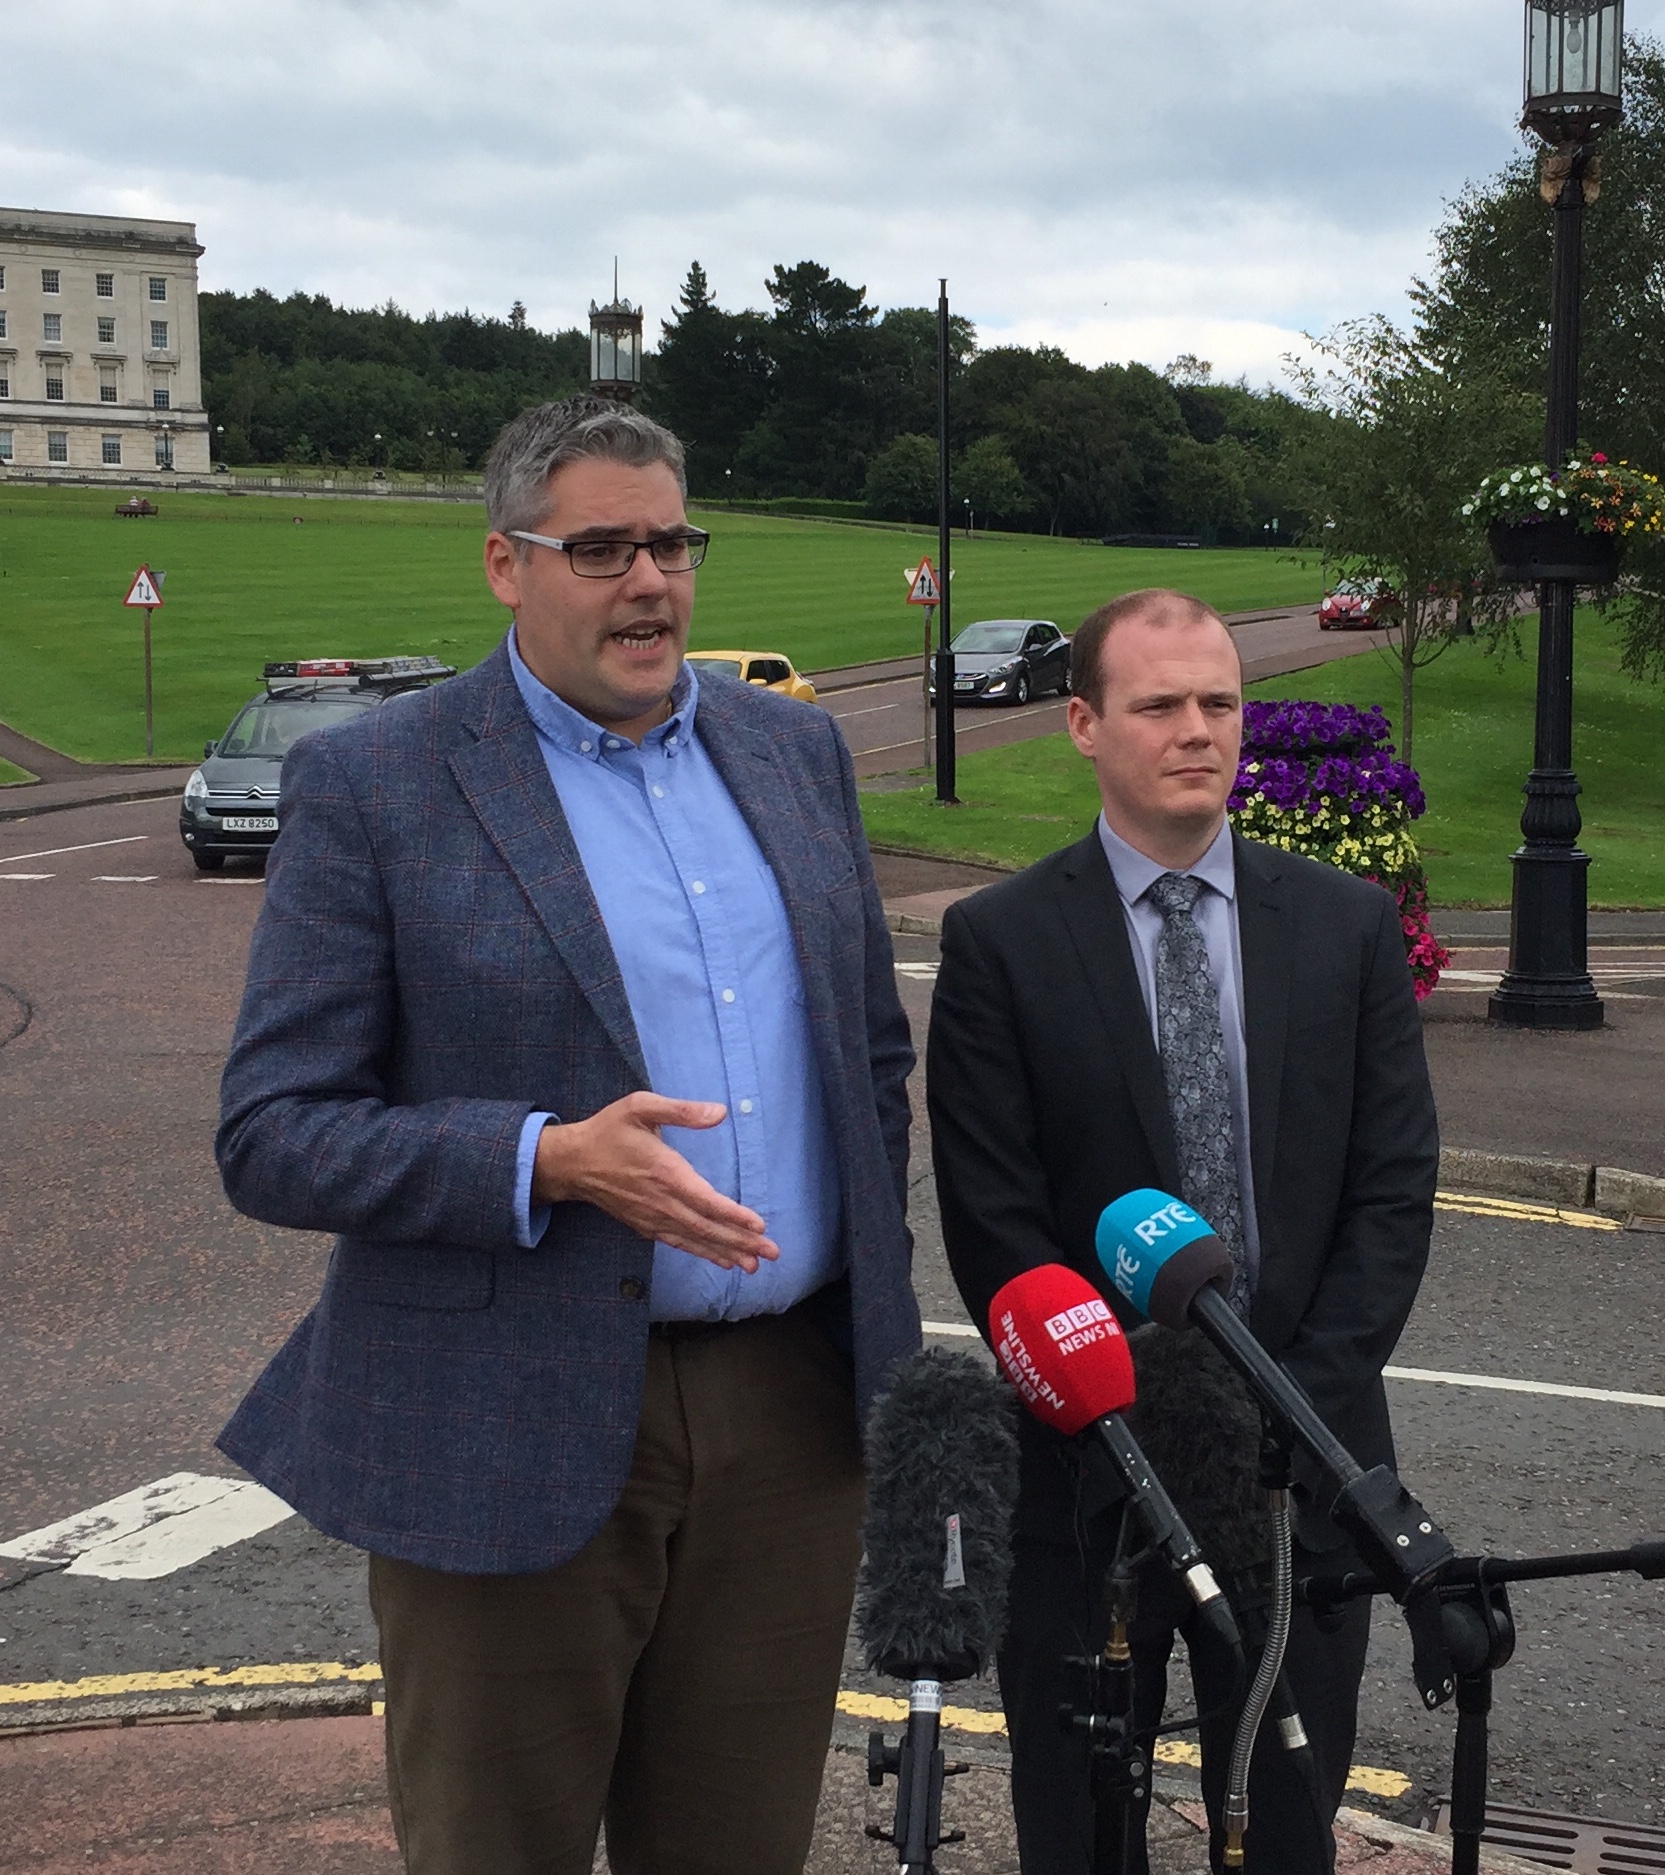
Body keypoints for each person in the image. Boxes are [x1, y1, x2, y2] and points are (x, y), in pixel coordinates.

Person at [215, 396, 920, 1875]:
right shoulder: (377, 782)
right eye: (598, 547)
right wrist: (542, 1156)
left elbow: (866, 1054)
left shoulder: (795, 754)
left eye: (669, 541)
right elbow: (274, 1131)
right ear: (503, 563)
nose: (648, 581)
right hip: (499, 1419)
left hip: (789, 1417)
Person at [927, 589, 1438, 1874]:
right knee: (1080, 1825)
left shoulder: (1346, 928)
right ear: (1086, 725)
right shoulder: (1000, 943)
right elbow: (998, 1226)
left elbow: (1391, 1191)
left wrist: (1286, 1412)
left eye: (1219, 702)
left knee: (1281, 1830)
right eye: (1160, 705)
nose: (1198, 730)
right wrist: (1129, 1413)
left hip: (1303, 1471)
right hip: (1089, 1474)